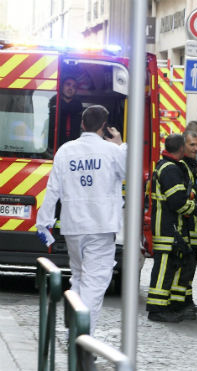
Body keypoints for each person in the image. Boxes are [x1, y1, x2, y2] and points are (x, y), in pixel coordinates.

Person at [36, 105, 126, 335]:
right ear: (104, 127)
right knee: (94, 284)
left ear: (83, 124)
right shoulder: (111, 151)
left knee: (78, 277)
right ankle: (81, 338)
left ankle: (73, 330)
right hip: (100, 226)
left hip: (73, 225)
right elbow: (130, 172)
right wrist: (121, 145)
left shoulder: (66, 150)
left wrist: (44, 221)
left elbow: (53, 188)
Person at [146, 134, 197, 323]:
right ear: (181, 149)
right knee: (164, 267)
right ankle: (157, 309)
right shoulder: (170, 169)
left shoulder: (167, 165)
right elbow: (177, 202)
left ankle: (168, 306)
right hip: (168, 227)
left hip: (170, 227)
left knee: (171, 266)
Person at [168, 128, 197, 320]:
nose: (195, 148)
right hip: (184, 225)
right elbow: (185, 196)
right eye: (191, 145)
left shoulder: (189, 165)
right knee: (183, 267)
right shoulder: (180, 166)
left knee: (189, 266)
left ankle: (185, 302)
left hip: (192, 227)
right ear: (182, 146)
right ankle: (181, 304)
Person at [48, 77, 83, 148]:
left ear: (76, 90)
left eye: (74, 86)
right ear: (62, 86)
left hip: (74, 146)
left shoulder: (79, 107)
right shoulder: (53, 103)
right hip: (53, 146)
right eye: (68, 84)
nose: (70, 88)